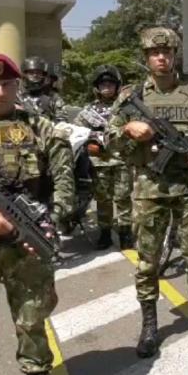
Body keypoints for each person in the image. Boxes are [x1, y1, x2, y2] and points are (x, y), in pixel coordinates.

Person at [0, 52, 74, 375]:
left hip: (28, 245)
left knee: (33, 322)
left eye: (6, 85)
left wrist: (49, 224)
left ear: (17, 85)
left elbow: (64, 180)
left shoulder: (41, 128)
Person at [106, 27, 188, 358]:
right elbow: (109, 139)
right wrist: (127, 128)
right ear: (147, 58)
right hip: (148, 189)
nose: (161, 57)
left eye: (167, 51)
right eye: (155, 53)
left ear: (174, 54)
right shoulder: (131, 97)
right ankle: (150, 325)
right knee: (148, 262)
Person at [74, 65, 134, 250]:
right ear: (97, 87)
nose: (106, 87)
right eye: (103, 84)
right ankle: (105, 234)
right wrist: (89, 142)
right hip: (99, 162)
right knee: (103, 200)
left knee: (123, 198)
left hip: (122, 159)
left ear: (117, 86)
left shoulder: (127, 107)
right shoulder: (88, 111)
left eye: (110, 83)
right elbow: (77, 132)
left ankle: (125, 234)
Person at [18, 57, 68, 122]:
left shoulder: (53, 98)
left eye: (38, 73)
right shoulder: (17, 96)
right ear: (25, 75)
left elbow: (63, 122)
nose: (35, 76)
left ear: (43, 75)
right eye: (31, 73)